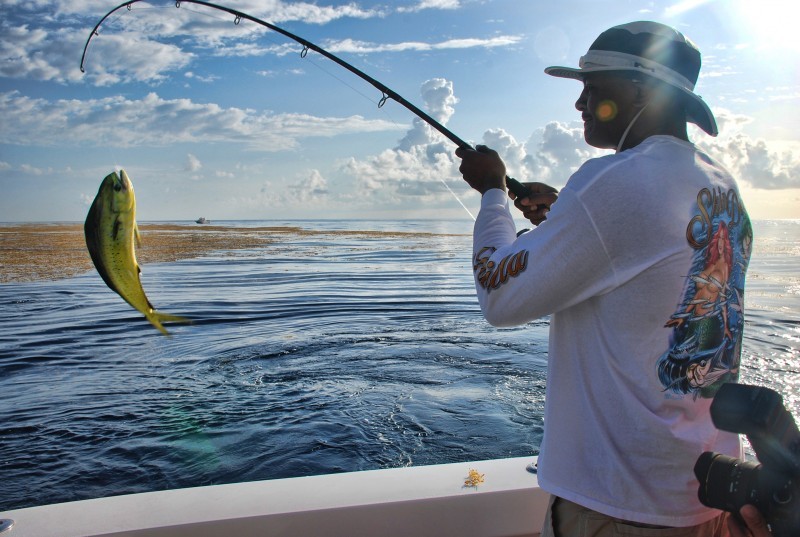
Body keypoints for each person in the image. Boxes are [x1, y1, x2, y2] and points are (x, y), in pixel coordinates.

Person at [456, 21, 754, 536]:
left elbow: (499, 297)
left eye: (593, 87)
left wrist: (491, 193)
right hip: (704, 493)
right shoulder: (720, 184)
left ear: (640, 89)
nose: (580, 103)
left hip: (621, 503)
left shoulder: (614, 181)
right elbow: (645, 268)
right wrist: (564, 220)